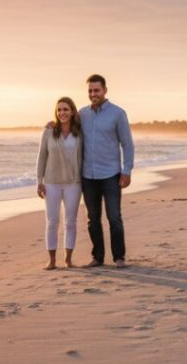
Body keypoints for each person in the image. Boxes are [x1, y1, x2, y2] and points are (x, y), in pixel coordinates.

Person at [78, 74, 134, 268]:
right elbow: (66, 127)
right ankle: (98, 257)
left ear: (105, 91)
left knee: (114, 217)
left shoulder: (118, 113)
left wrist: (127, 171)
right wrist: (52, 126)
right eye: (90, 91)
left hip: (111, 174)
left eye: (97, 90)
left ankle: (119, 257)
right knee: (93, 219)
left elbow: (127, 144)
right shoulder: (82, 114)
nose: (93, 94)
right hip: (88, 175)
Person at [36, 97, 83, 270]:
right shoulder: (49, 131)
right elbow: (42, 157)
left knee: (71, 221)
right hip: (52, 182)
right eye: (59, 110)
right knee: (52, 221)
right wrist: (39, 181)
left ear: (72, 111)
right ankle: (52, 260)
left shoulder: (79, 132)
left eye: (65, 109)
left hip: (73, 183)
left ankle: (68, 260)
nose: (62, 113)